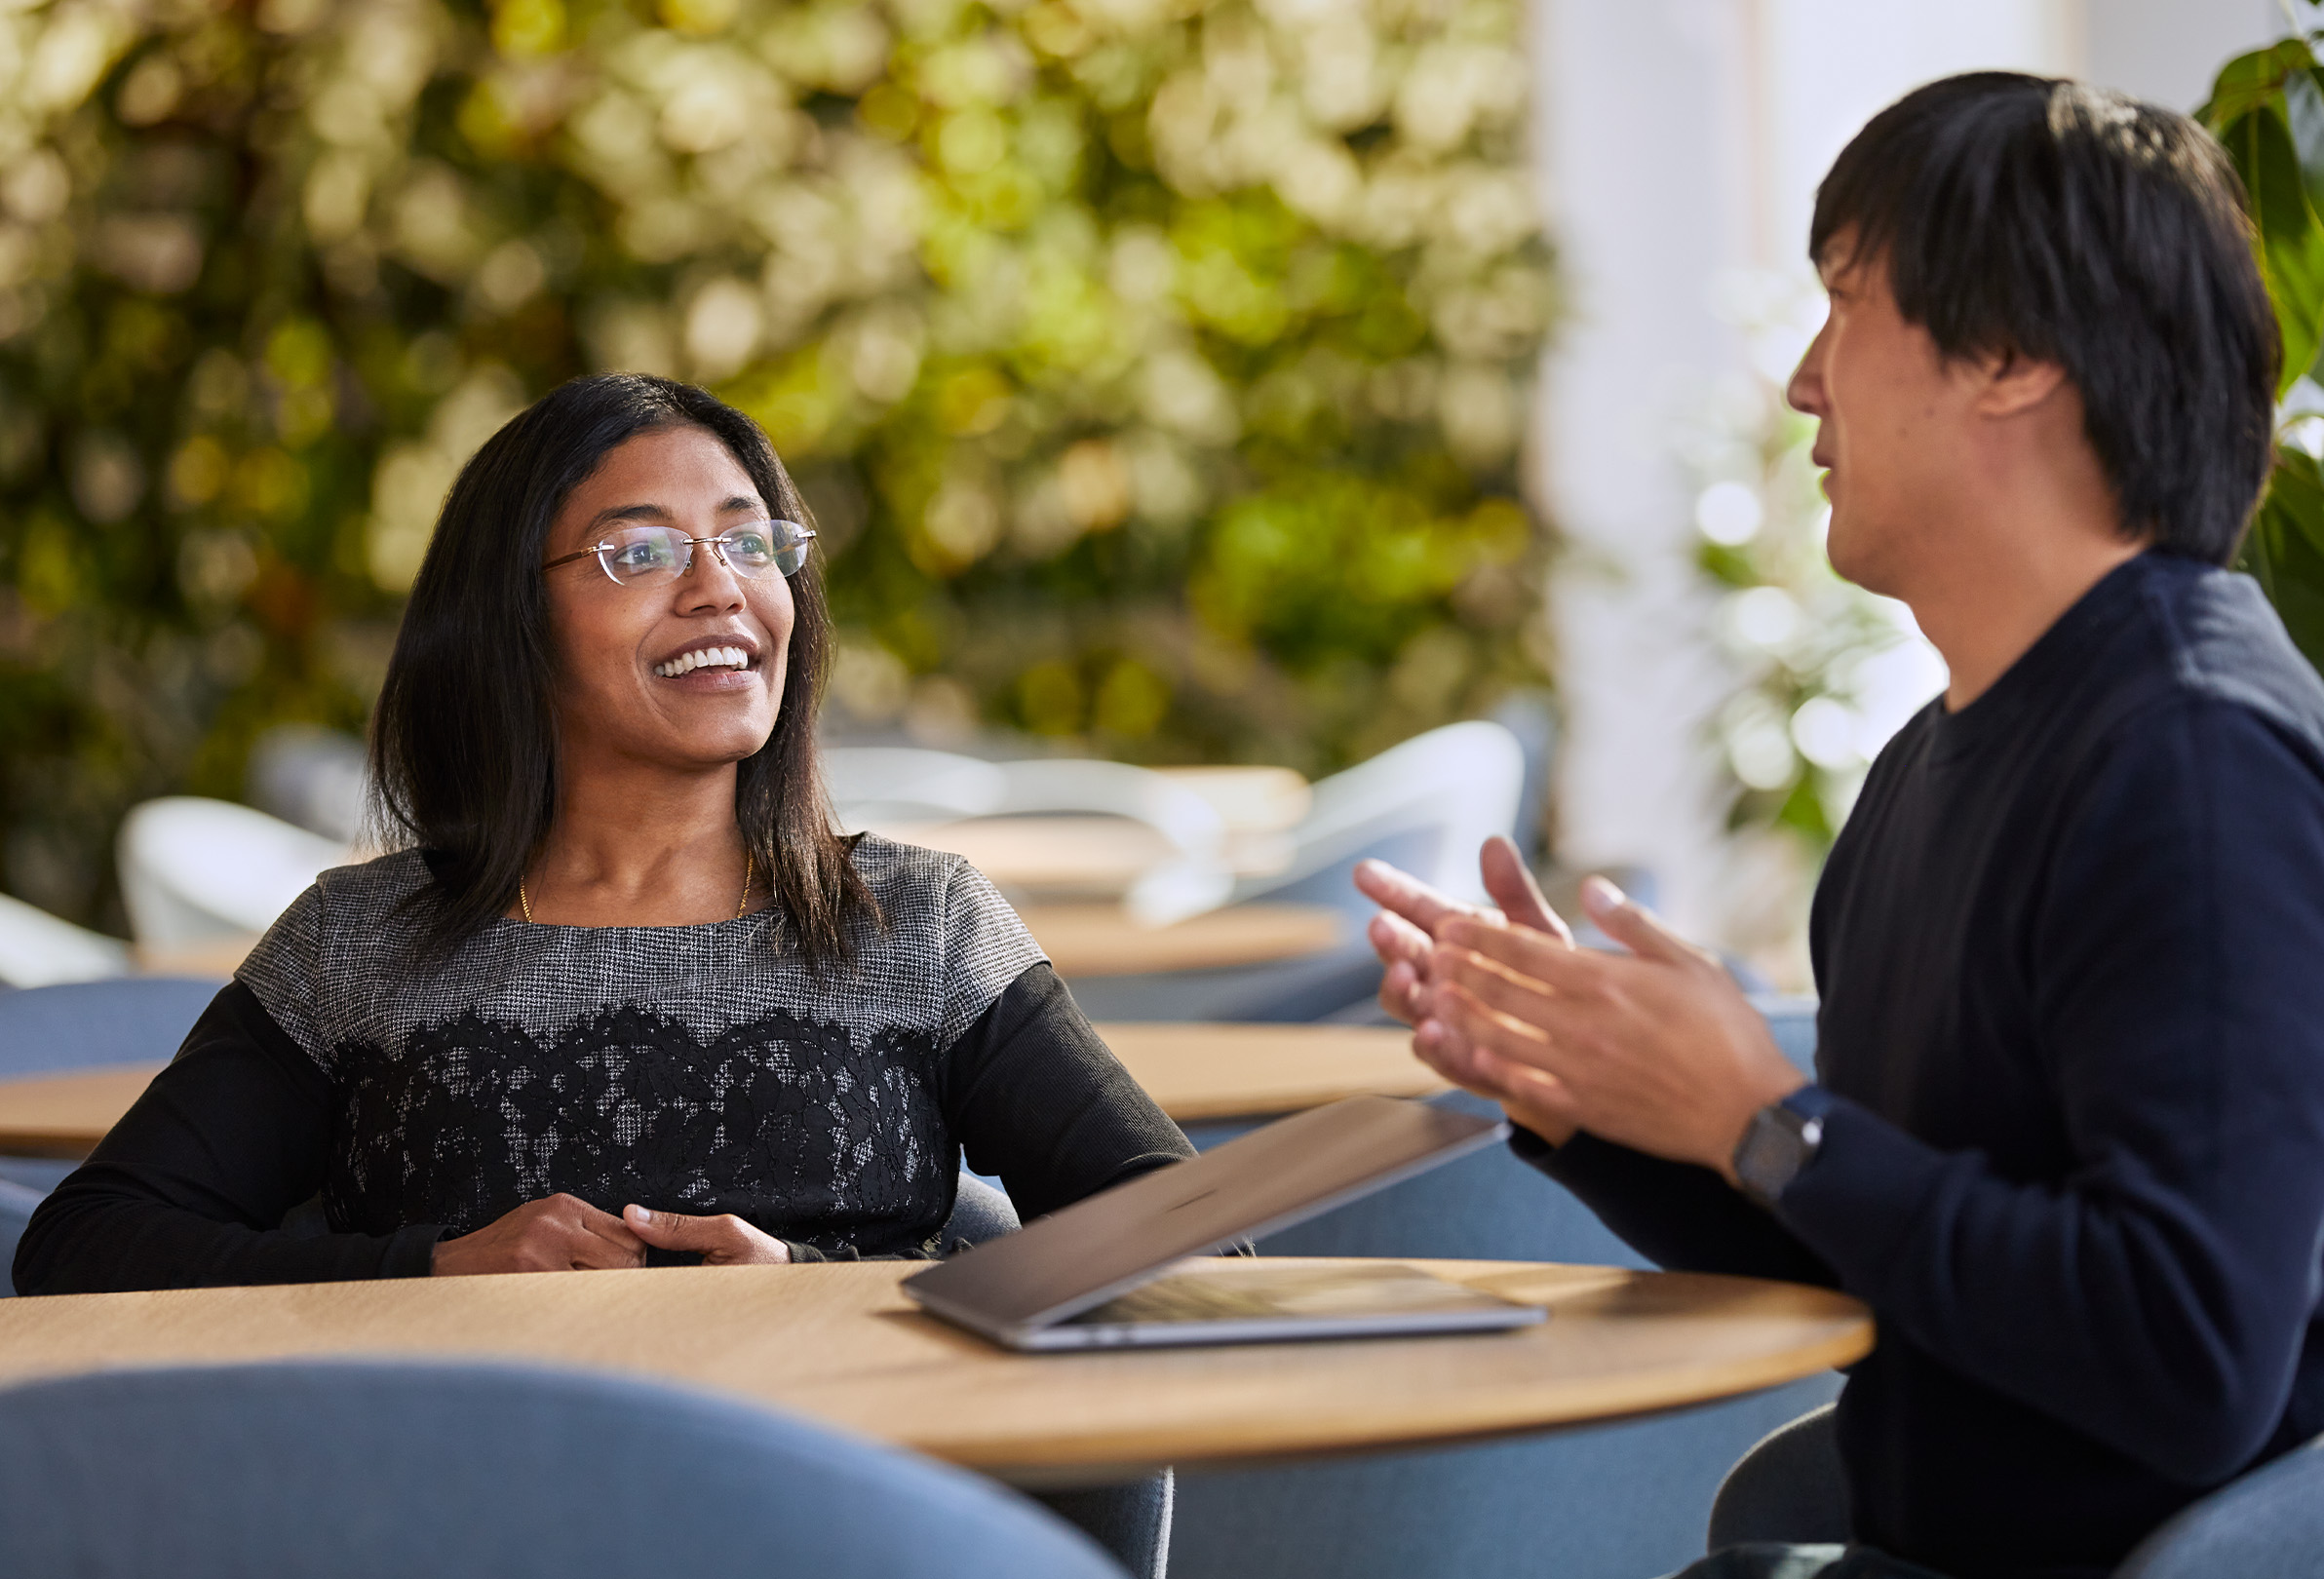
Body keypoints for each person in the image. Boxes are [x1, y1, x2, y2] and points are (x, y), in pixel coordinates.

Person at [1359, 73, 2324, 1579]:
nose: (1806, 381)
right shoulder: (1932, 770)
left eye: (1848, 303)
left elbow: (2185, 1355)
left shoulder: (2193, 764)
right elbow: (1895, 1262)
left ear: (2007, 352)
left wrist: (1771, 1120)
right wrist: (1607, 1100)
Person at [14, 372, 1191, 1292]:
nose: (718, 587)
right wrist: (432, 1270)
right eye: (639, 551)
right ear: (508, 623)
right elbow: (83, 1248)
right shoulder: (355, 945)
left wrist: (817, 1290)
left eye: (748, 540)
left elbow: (1187, 1256)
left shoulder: (924, 925)